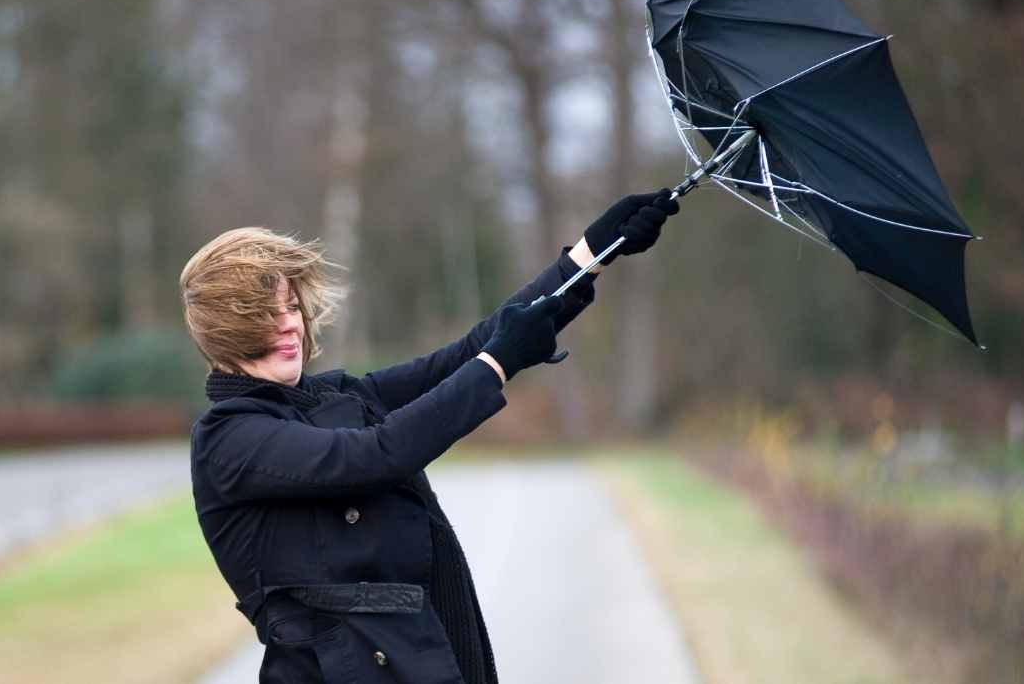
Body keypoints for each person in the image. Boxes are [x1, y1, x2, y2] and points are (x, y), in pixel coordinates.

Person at [182, 191, 679, 684]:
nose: (290, 324)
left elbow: (464, 355)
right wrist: (498, 364)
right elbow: (376, 455)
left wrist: (589, 256)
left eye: (291, 307)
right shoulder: (230, 439)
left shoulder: (330, 397)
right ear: (228, 330)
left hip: (423, 655)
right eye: (267, 316)